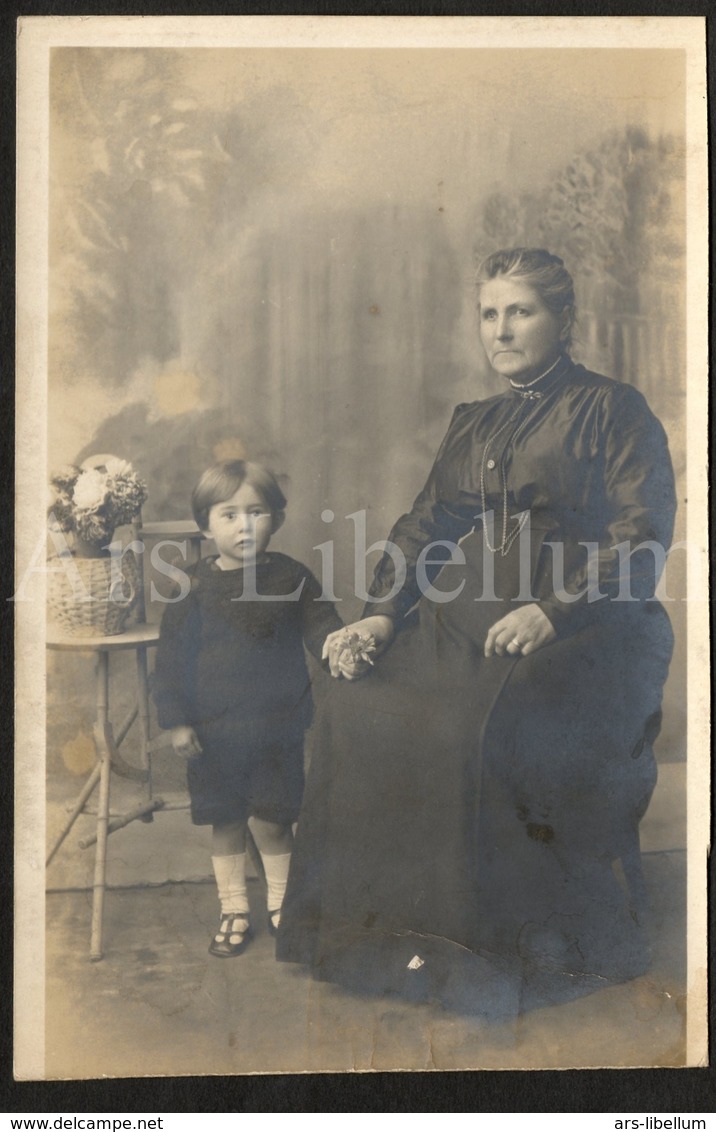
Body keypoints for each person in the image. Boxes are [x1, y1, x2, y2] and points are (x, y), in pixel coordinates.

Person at [276, 248, 676, 1015]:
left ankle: (497, 952)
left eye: (520, 311)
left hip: (593, 633)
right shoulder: (477, 422)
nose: (501, 330)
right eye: (489, 314)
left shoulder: (613, 409)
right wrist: (381, 616)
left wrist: (553, 610)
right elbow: (426, 524)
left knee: (473, 722)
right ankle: (389, 937)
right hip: (475, 618)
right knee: (359, 699)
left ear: (564, 320)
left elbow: (642, 531)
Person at [153, 460, 342, 958]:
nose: (244, 525)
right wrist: (177, 721)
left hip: (277, 727)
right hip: (213, 731)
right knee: (227, 820)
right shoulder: (191, 585)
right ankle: (233, 907)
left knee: (277, 819)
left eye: (256, 512)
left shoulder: (291, 576)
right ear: (204, 525)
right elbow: (171, 658)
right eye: (229, 515)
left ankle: (284, 904)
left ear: (276, 519)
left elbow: (321, 624)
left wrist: (340, 646)